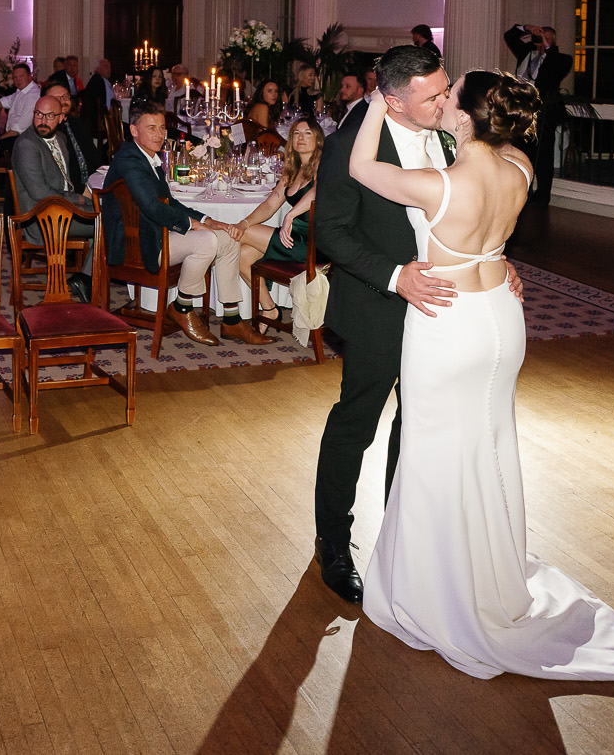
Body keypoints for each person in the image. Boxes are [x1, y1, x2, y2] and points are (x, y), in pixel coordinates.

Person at [348, 71, 614, 683]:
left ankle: (437, 593)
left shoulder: (438, 185)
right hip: (501, 320)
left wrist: (378, 102)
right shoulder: (521, 169)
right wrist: (502, 255)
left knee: (434, 454)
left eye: (452, 92)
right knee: (491, 445)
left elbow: (360, 168)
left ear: (464, 116)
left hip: (447, 321)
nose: (444, 98)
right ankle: (493, 575)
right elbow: (498, 168)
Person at [309, 42, 459, 604]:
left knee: (417, 425)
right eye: (432, 96)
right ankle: (333, 541)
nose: (445, 101)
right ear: (393, 101)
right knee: (357, 423)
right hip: (378, 303)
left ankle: (402, 540)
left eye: (445, 88)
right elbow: (332, 232)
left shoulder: (452, 137)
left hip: (443, 306)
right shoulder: (349, 146)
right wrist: (396, 277)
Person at [100, 102, 242, 346]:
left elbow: (169, 202)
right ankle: (181, 308)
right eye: (152, 128)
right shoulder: (130, 160)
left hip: (153, 234)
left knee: (228, 238)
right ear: (133, 130)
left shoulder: (146, 156)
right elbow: (152, 207)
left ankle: (232, 319)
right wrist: (192, 225)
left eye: (162, 128)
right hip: (135, 247)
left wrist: (207, 220)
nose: (160, 135)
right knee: (206, 241)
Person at [233, 117, 323, 331]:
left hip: (315, 243)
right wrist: (244, 222)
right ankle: (269, 308)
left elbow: (319, 191)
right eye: (296, 133)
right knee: (243, 255)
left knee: (238, 236)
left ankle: (229, 309)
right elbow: (271, 203)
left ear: (318, 139)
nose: (301, 138)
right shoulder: (293, 169)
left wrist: (290, 215)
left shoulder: (323, 164)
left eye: (307, 133)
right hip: (293, 238)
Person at [12, 92, 96, 299]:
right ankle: (86, 279)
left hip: (62, 209)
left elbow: (65, 180)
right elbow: (40, 193)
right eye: (38, 114)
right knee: (110, 224)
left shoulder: (61, 138)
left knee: (109, 214)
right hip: (41, 218)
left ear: (61, 118)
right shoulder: (27, 145)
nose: (42, 121)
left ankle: (87, 277)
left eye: (50, 116)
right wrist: (77, 199)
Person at [503, 23, 572, 202]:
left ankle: (543, 195)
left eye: (546, 38)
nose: (542, 40)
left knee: (543, 156)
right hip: (522, 112)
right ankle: (522, 192)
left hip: (544, 113)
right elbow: (509, 36)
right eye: (540, 36)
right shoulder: (527, 53)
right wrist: (526, 28)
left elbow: (554, 67)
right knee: (521, 153)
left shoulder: (562, 59)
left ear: (553, 41)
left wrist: (548, 47)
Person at [0, 61, 40, 133]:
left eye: (21, 76)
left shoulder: (33, 96)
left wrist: (0, 139)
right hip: (13, 133)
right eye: (15, 77)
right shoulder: (21, 91)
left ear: (30, 76)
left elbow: (18, 129)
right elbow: (5, 101)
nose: (18, 80)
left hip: (22, 137)